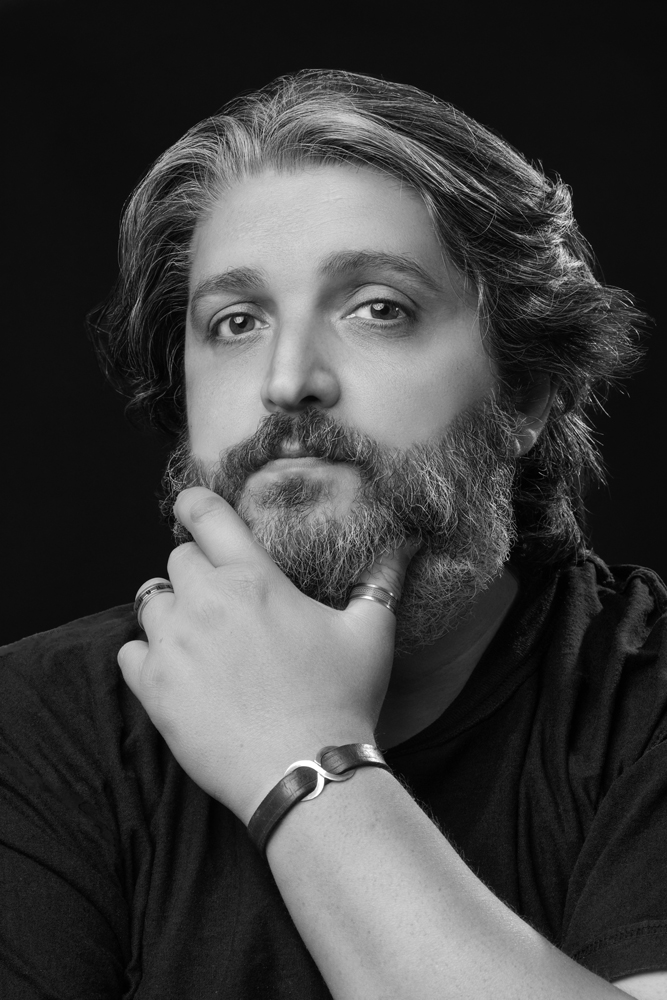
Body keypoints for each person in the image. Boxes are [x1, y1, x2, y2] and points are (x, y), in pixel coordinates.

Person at [1, 68, 664, 1000]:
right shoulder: (33, 726)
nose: (288, 380)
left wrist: (303, 757)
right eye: (235, 322)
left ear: (522, 394)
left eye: (377, 309)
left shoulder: (644, 704)